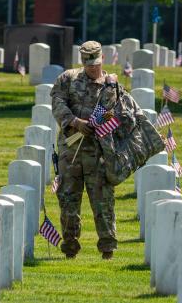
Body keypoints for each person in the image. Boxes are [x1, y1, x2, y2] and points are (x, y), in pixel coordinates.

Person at [51, 40, 124, 260]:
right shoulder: (68, 79)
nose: (93, 67)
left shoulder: (111, 85)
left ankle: (107, 249)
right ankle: (70, 248)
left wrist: (112, 89)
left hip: (98, 153)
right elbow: (57, 102)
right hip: (70, 151)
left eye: (96, 63)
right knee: (68, 200)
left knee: (103, 201)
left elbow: (119, 114)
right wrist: (75, 121)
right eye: (88, 63)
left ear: (102, 60)